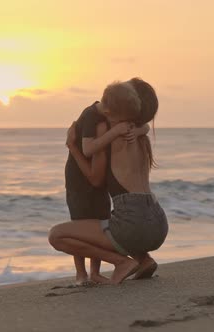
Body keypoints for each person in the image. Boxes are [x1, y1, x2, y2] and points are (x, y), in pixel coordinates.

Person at [50, 78, 168, 284]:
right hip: (158, 223)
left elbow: (95, 178)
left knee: (56, 236)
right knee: (114, 224)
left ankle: (120, 262)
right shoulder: (141, 137)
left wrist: (73, 147)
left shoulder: (112, 136)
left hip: (134, 225)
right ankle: (144, 259)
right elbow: (145, 128)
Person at [64, 96, 150, 284]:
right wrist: (72, 146)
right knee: (79, 222)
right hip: (78, 177)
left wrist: (140, 130)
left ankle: (95, 273)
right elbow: (88, 149)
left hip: (98, 173)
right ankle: (81, 274)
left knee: (100, 219)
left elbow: (142, 126)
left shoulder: (109, 114)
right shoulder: (91, 116)